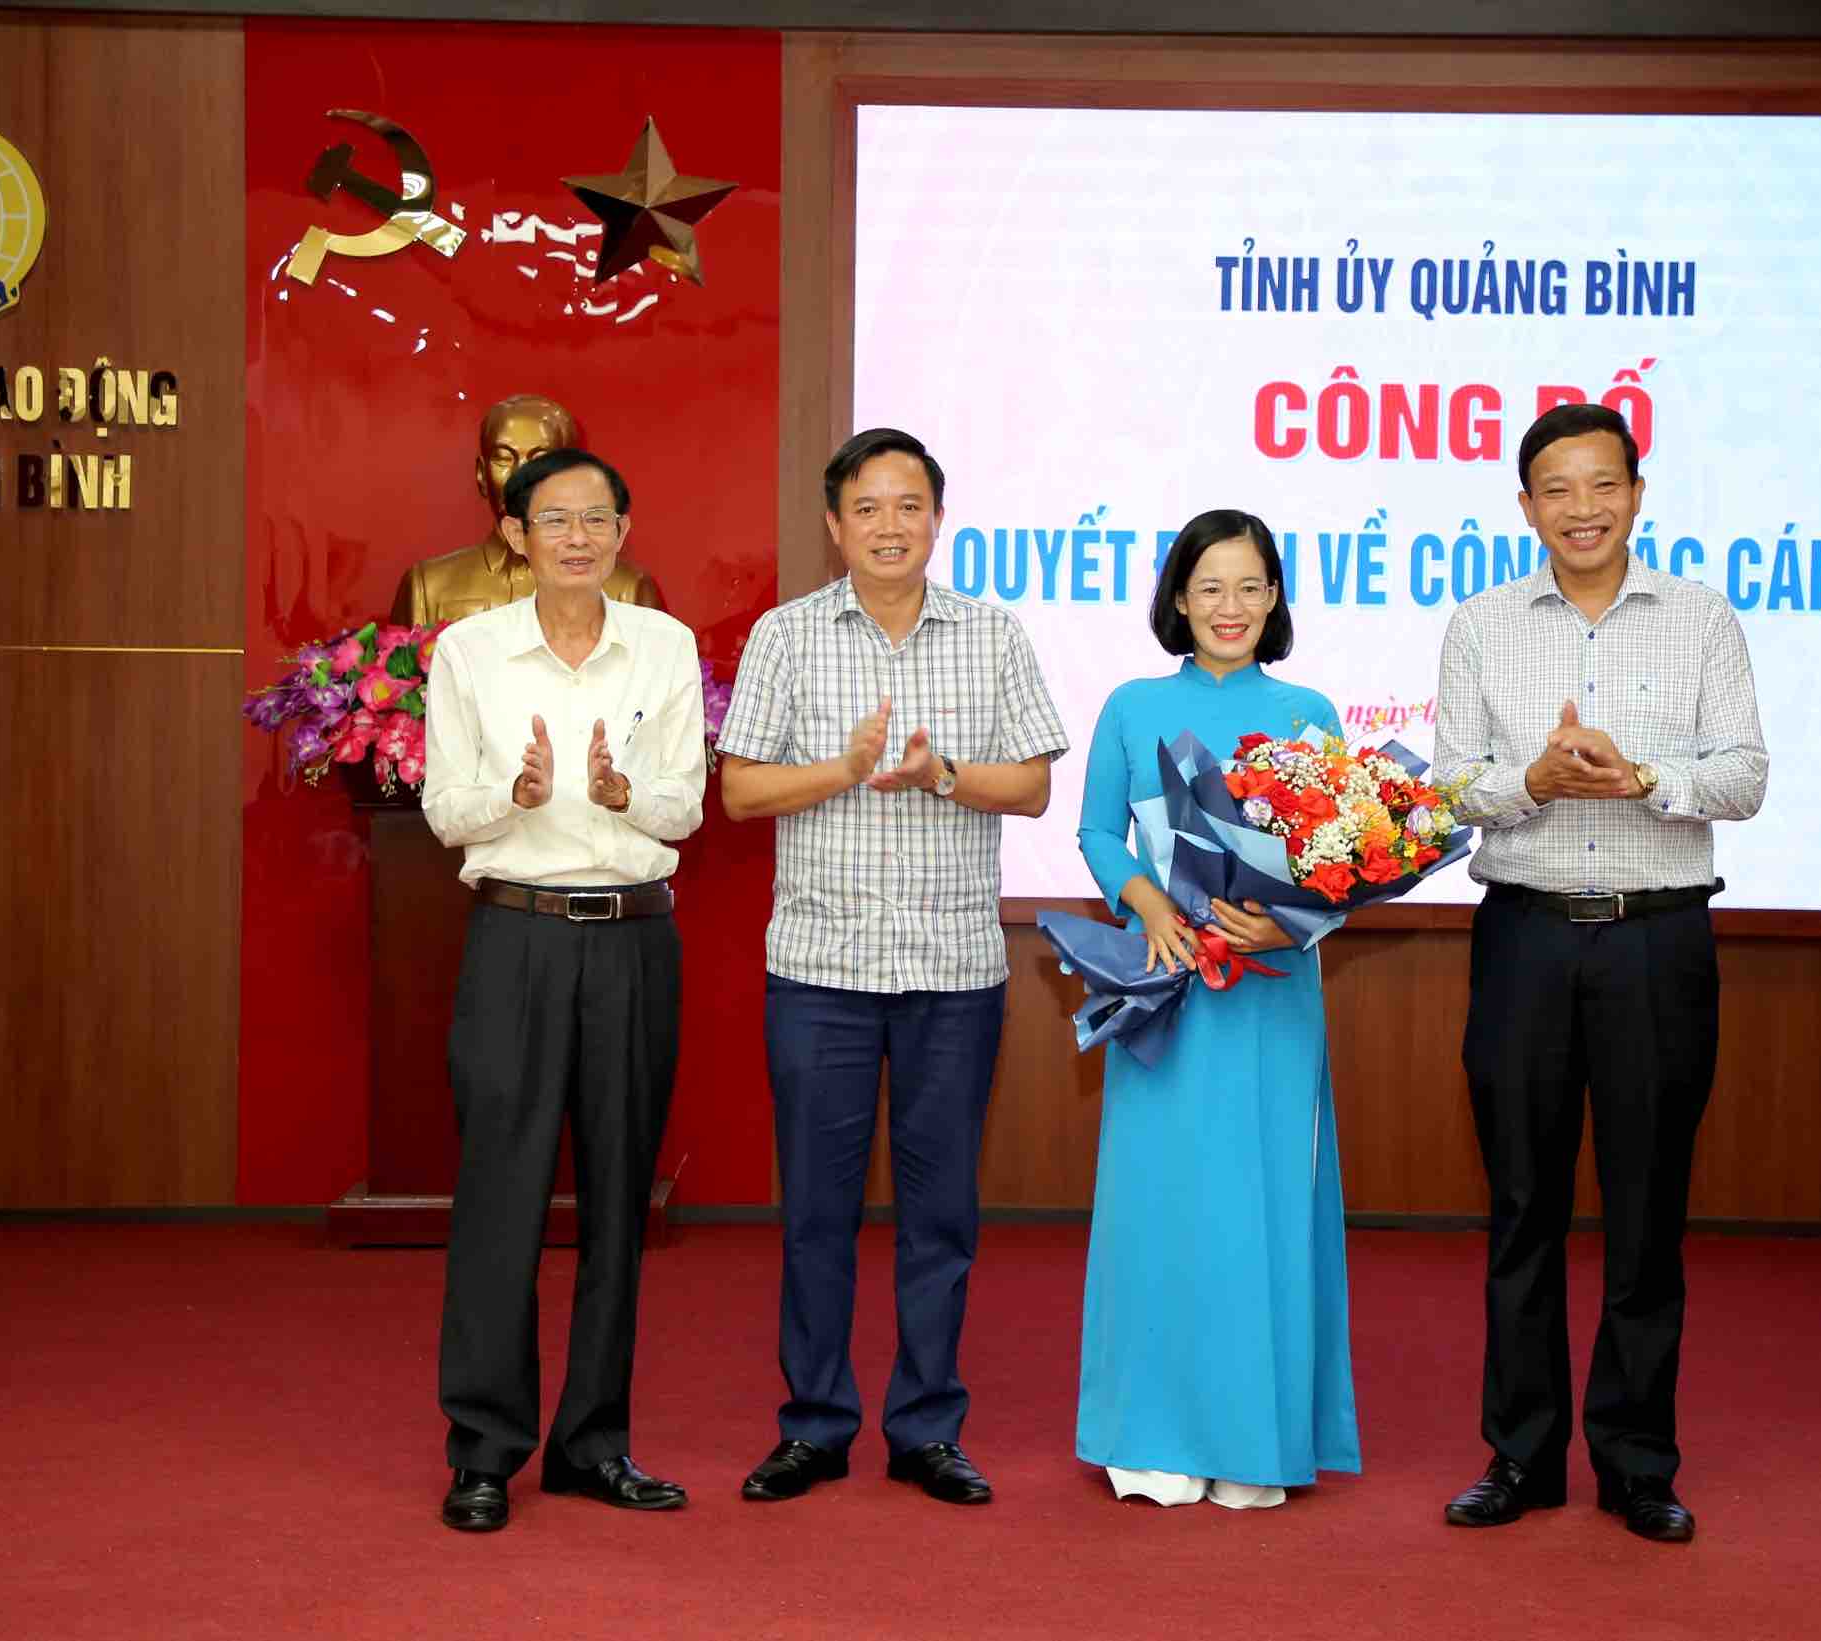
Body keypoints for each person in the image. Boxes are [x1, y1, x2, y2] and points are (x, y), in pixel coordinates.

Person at [1428, 403, 1768, 1544]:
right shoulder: (1478, 624)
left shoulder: (1701, 619)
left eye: (1599, 484)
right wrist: (1528, 777)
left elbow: (1744, 775)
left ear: (1635, 491)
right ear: (1523, 507)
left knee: (1644, 1210)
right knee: (1520, 1206)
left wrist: (1640, 780)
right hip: (1522, 935)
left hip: (1653, 940)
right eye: (1555, 489)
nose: (1580, 508)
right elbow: (1444, 789)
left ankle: (1635, 1464)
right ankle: (1518, 1459)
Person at [715, 427, 1069, 1507]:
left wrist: (939, 774)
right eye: (865, 507)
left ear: (936, 517)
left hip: (951, 969)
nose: (887, 526)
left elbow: (1032, 788)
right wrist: (846, 768)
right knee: (815, 1212)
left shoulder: (992, 634)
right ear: (834, 525)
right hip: (819, 969)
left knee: (940, 1216)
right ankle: (815, 1425)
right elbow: (736, 794)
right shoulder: (785, 636)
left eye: (907, 505)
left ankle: (924, 1426)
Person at [420, 447, 708, 1534]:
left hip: (633, 942)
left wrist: (634, 794)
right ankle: (485, 1449)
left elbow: (684, 808)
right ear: (515, 537)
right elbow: (448, 808)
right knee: (500, 1200)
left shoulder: (665, 647)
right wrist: (515, 792)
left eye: (596, 518)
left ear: (624, 531)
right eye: (553, 520)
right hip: (517, 938)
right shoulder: (471, 651)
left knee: (620, 1204)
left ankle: (595, 1445)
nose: (577, 537)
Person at [1073, 509, 1362, 1510]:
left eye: (1247, 587)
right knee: (1160, 1211)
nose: (1227, 607)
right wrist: (1146, 903)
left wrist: (1287, 927)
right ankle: (1149, 1435)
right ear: (1177, 601)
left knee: (1260, 1209)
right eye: (1207, 588)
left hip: (1271, 1000)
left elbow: (1341, 861)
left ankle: (1255, 1439)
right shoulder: (1131, 704)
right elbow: (1097, 833)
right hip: (1164, 990)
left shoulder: (1308, 711)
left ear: (1275, 597)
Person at [389, 393, 664, 625]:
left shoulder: (628, 591)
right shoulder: (427, 588)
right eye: (503, 458)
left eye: (540, 459)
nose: (520, 476)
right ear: (481, 475)